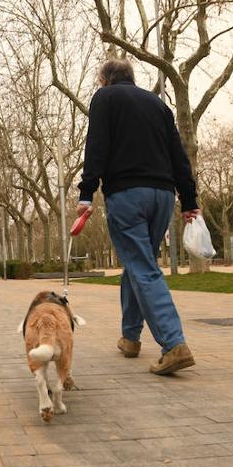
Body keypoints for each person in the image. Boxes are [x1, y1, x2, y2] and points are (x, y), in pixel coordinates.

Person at [76, 58, 200, 375]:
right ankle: (130, 337)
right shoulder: (158, 105)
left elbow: (97, 146)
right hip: (162, 196)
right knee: (137, 264)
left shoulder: (104, 98)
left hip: (127, 195)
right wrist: (188, 200)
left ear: (105, 80)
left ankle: (174, 344)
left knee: (143, 268)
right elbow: (179, 156)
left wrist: (86, 193)